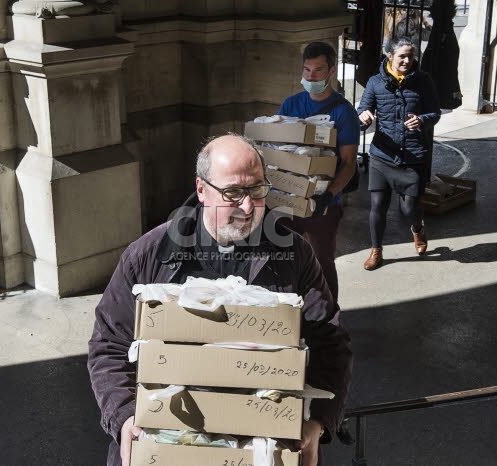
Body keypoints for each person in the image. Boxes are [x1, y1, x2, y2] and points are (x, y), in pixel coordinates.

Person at [87, 134, 353, 466]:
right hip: (170, 443)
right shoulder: (149, 256)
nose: (247, 206)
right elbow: (109, 346)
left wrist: (318, 423)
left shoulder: (294, 255)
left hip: (262, 446)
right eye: (233, 193)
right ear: (202, 190)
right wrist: (126, 416)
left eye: (257, 190)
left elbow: (330, 342)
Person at [277, 41, 360, 303]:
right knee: (284, 258)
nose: (311, 77)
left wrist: (329, 194)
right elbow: (277, 150)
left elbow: (348, 163)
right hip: (289, 199)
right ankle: (288, 313)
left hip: (324, 202)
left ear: (332, 71)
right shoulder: (290, 105)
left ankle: (327, 318)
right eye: (307, 70)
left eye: (318, 70)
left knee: (322, 261)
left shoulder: (344, 112)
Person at [357, 37, 441, 271]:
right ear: (389, 56)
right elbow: (363, 109)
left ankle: (417, 228)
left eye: (410, 56)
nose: (407, 60)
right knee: (378, 205)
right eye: (402, 56)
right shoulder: (375, 82)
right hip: (382, 155)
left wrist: (422, 120)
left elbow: (435, 112)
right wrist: (363, 117)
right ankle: (376, 251)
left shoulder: (424, 81)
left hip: (413, 155)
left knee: (408, 209)